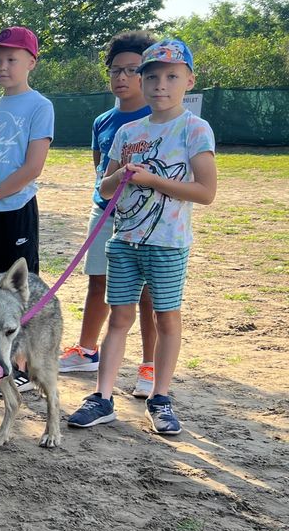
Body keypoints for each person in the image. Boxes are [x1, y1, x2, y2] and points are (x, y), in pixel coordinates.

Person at [68, 39, 217, 436]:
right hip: (124, 240)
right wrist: (118, 177)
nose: (160, 85)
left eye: (171, 76)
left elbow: (206, 192)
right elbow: (104, 187)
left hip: (167, 244)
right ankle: (102, 398)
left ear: (189, 80)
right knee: (119, 317)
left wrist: (155, 181)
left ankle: (161, 398)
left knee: (166, 319)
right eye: (150, 76)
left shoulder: (195, 129)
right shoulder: (128, 131)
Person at [60, 30, 159, 400]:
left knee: (148, 293)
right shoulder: (103, 121)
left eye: (132, 70)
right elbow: (101, 171)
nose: (122, 77)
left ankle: (149, 365)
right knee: (97, 281)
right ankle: (87, 350)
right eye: (116, 69)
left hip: (148, 222)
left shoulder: (158, 118)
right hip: (104, 215)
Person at [0, 26, 55, 393]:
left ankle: (18, 364)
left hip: (14, 209)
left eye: (11, 59)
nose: (2, 66)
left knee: (17, 290)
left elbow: (31, 168)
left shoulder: (40, 106)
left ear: (31, 62)